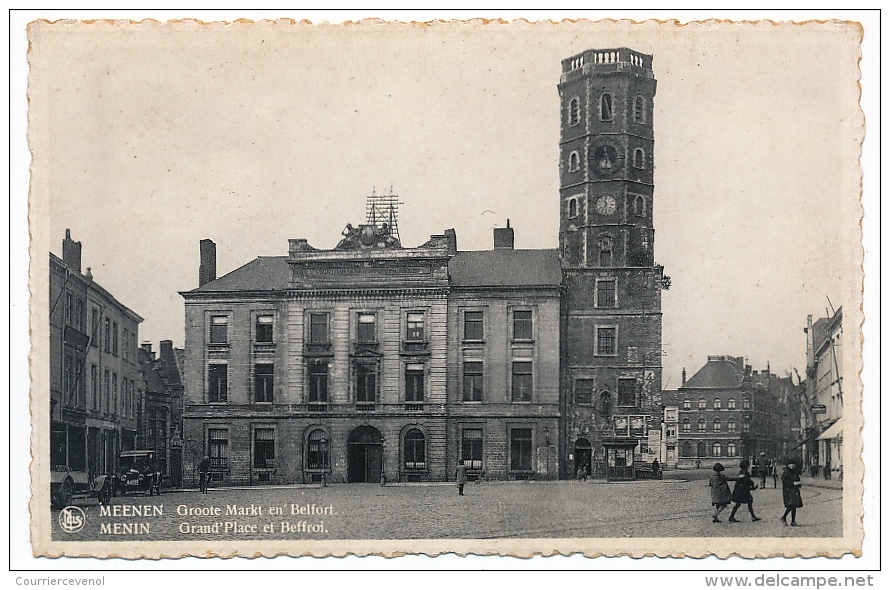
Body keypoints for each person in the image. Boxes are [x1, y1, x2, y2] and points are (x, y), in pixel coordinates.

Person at [781, 461, 804, 526]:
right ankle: (784, 517)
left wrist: (799, 483)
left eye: (793, 464)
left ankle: (793, 521)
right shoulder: (785, 472)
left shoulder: (795, 472)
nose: (792, 466)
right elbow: (784, 481)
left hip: (795, 490)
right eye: (790, 464)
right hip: (788, 490)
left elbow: (798, 479)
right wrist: (793, 483)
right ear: (788, 465)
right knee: (791, 505)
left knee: (794, 505)